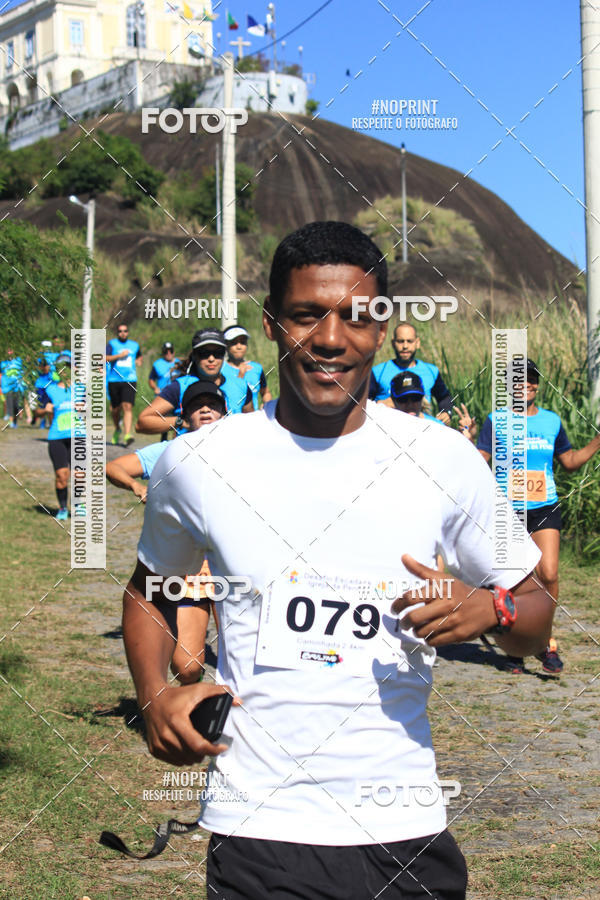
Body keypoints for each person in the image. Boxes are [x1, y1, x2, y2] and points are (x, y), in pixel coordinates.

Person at [122, 221, 552, 900]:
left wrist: (492, 608)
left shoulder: (441, 456)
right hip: (260, 829)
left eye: (356, 317)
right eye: (305, 315)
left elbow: (535, 612)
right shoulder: (198, 462)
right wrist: (154, 696)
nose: (330, 338)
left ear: (382, 329)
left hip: (404, 830)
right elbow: (150, 587)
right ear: (270, 325)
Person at [477, 357, 600, 676]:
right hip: (508, 511)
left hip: (545, 507)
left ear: (538, 384)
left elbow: (569, 461)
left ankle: (543, 639)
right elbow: (479, 461)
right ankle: (517, 645)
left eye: (531, 379)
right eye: (519, 380)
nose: (526, 384)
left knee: (549, 573)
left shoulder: (552, 421)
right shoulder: (495, 420)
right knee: (515, 580)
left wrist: (598, 441)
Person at [108, 381, 226, 684]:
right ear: (183, 418)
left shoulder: (241, 452)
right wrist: (137, 485)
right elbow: (113, 467)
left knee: (244, 656)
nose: (205, 409)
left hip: (232, 567)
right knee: (187, 668)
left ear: (225, 414)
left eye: (212, 405)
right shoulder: (167, 450)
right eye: (196, 406)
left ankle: (238, 718)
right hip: (191, 569)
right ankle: (187, 709)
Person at [136, 329, 252, 437]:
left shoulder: (241, 386)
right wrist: (182, 422)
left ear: (224, 355)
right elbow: (142, 423)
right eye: (204, 353)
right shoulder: (180, 386)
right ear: (195, 356)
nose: (211, 358)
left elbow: (251, 425)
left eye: (218, 353)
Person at [370, 322, 453, 422]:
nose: (405, 346)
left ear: (417, 343)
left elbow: (444, 397)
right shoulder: (377, 372)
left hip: (422, 427)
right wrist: (379, 404)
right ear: (393, 343)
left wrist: (446, 412)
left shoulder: (431, 371)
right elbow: (362, 404)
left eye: (410, 341)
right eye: (400, 341)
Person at [43, 351, 75, 521]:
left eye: (68, 366)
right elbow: (38, 409)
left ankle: (80, 505)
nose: (65, 370)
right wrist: (44, 410)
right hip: (57, 437)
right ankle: (63, 507)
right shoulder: (50, 389)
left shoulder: (82, 387)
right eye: (61, 367)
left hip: (78, 436)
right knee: (62, 476)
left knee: (79, 474)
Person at [106, 324, 142, 447]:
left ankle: (128, 434)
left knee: (127, 406)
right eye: (120, 331)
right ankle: (117, 429)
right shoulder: (112, 344)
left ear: (128, 332)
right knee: (115, 409)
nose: (123, 333)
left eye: (125, 331)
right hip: (114, 380)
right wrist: (119, 356)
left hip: (130, 379)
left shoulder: (134, 345)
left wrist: (139, 361)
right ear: (117, 332)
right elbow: (105, 358)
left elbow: (139, 356)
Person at [222, 325, 273, 410]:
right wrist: (241, 375)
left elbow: (265, 392)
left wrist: (267, 404)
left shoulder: (256, 368)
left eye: (243, 342)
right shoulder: (221, 370)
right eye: (233, 342)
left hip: (252, 419)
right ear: (226, 345)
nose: (239, 347)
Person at [1, 349, 25, 428]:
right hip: (8, 388)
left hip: (18, 387)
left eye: (11, 351)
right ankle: (10, 422)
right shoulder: (2, 363)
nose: (9, 353)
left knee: (16, 406)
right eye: (8, 351)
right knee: (9, 405)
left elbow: (24, 371)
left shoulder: (19, 361)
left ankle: (15, 421)